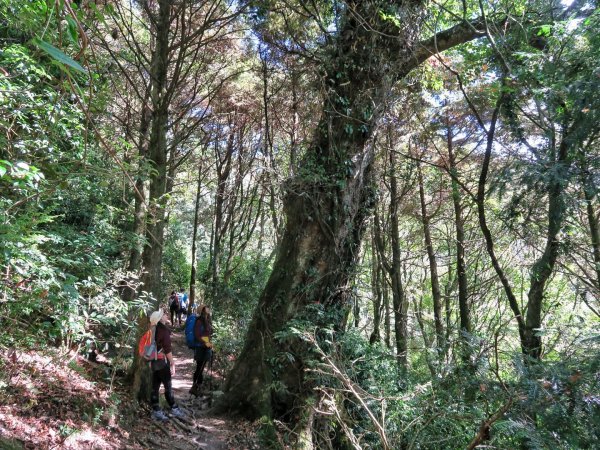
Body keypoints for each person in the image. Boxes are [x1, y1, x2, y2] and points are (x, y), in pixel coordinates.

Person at [148, 310, 185, 421]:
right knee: (168, 386)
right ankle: (174, 408)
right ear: (160, 319)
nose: (165, 315)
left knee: (155, 386)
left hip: (154, 361)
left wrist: (150, 361)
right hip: (161, 362)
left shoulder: (152, 330)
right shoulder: (163, 331)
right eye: (163, 315)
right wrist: (172, 363)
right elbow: (167, 350)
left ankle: (156, 410)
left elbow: (149, 348)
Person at [189, 305, 213, 396]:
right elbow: (197, 335)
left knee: (201, 368)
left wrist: (208, 343)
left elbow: (207, 334)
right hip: (200, 347)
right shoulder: (199, 321)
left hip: (205, 347)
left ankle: (198, 387)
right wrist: (207, 342)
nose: (208, 308)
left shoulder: (207, 320)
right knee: (199, 367)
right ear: (203, 310)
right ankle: (195, 387)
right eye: (206, 308)